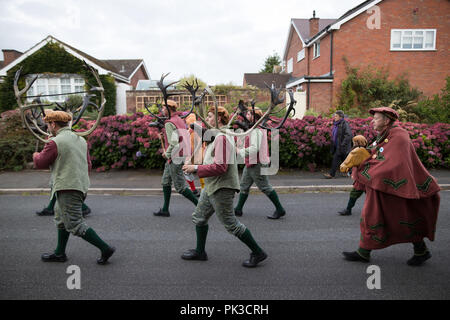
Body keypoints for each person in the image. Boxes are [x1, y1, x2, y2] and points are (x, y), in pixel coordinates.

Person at [342, 107, 440, 266]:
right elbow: (376, 154)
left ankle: (420, 251)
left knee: (401, 219)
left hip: (398, 188)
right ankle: (365, 251)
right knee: (378, 217)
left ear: (386, 120)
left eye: (376, 118)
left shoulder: (399, 136)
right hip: (387, 187)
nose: (372, 121)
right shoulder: (386, 134)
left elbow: (393, 164)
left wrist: (365, 168)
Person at [182, 106, 267, 268]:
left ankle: (258, 252)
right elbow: (207, 135)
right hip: (212, 185)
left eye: (209, 116)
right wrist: (195, 129)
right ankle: (200, 251)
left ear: (218, 119)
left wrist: (195, 169)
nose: (206, 119)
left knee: (231, 224)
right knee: (199, 217)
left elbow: (220, 167)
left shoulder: (222, 138)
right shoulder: (219, 134)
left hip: (222, 187)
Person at [33, 110, 115, 264]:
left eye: (48, 124)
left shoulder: (55, 142)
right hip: (79, 185)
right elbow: (88, 164)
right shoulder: (80, 139)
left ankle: (105, 248)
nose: (47, 127)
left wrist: (35, 156)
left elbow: (40, 163)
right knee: (61, 217)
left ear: (53, 124)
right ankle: (59, 253)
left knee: (75, 224)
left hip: (67, 186)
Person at [234, 107, 286, 219]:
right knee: (244, 185)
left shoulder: (257, 130)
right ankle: (238, 209)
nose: (246, 116)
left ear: (255, 117)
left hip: (257, 163)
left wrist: (240, 151)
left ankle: (280, 209)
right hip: (251, 162)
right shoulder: (253, 128)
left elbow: (254, 148)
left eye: (248, 114)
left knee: (265, 187)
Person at [153, 100, 199, 217]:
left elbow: (174, 143)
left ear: (169, 109)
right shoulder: (179, 119)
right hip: (181, 154)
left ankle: (201, 207)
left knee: (180, 187)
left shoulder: (169, 122)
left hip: (175, 156)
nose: (162, 110)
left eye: (163, 108)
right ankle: (165, 209)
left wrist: (167, 154)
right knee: (166, 182)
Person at [337, 135, 368, 216]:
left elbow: (351, 160)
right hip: (364, 177)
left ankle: (348, 209)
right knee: (370, 195)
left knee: (354, 193)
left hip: (362, 178)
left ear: (358, 142)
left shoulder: (359, 151)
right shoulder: (363, 150)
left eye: (354, 142)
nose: (353, 143)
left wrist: (346, 167)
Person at [323, 110, 352, 179]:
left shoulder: (344, 124)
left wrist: (342, 144)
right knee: (345, 160)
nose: (334, 117)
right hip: (337, 146)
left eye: (336, 116)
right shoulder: (337, 124)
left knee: (335, 159)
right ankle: (351, 172)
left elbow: (348, 135)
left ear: (340, 117)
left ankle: (331, 174)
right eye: (334, 116)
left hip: (342, 147)